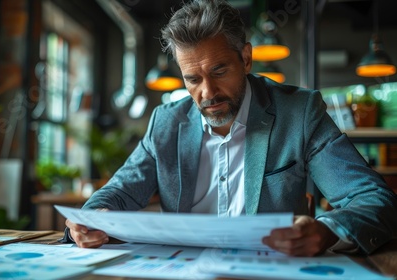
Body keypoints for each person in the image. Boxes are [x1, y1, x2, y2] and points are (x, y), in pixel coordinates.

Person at [64, 0, 397, 256]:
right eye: (192, 79)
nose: (207, 93)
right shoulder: (165, 123)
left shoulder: (299, 112)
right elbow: (119, 193)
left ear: (246, 59)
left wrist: (326, 231)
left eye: (219, 71)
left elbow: (374, 199)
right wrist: (90, 218)